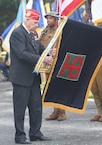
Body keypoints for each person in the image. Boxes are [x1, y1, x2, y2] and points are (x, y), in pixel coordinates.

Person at [9, 9, 55, 144]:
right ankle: (20, 136)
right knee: (20, 109)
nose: (36, 25)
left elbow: (40, 49)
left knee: (36, 108)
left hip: (33, 78)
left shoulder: (33, 33)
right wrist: (42, 59)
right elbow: (22, 54)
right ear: (27, 20)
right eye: (35, 22)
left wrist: (48, 52)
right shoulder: (18, 34)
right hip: (21, 79)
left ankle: (35, 133)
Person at [40, 11, 66, 121]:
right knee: (51, 87)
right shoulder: (44, 31)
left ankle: (62, 112)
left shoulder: (59, 31)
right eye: (47, 18)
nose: (48, 20)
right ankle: (55, 111)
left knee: (59, 87)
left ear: (56, 20)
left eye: (51, 18)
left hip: (57, 63)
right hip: (48, 63)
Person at [84, 13, 102, 122]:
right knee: (94, 87)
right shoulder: (87, 25)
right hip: (91, 60)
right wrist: (86, 24)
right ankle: (99, 112)